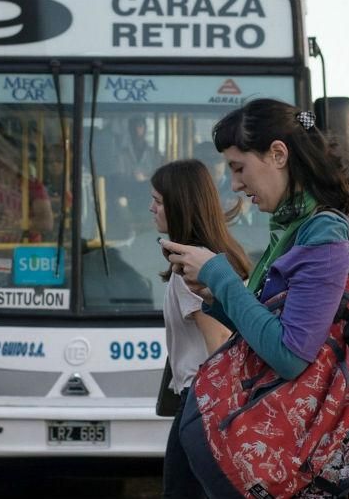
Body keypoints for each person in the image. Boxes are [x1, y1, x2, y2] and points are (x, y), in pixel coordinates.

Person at [160, 98, 349, 497]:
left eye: (239, 168)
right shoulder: (293, 229)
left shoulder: (322, 235)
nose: (235, 185)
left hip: (318, 451)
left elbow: (289, 354)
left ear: (278, 154)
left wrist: (220, 275)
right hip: (301, 444)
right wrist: (218, 296)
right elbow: (270, 333)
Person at [150, 159, 251, 499]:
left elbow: (220, 341)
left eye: (159, 201)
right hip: (206, 401)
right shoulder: (217, 255)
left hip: (202, 402)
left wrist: (222, 419)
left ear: (180, 205)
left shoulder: (190, 269)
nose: (151, 208)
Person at [0, 139, 53, 242]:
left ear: (17, 162)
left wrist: (17, 223)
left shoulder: (33, 186)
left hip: (25, 253)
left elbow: (47, 223)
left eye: (6, 162)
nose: (1, 167)